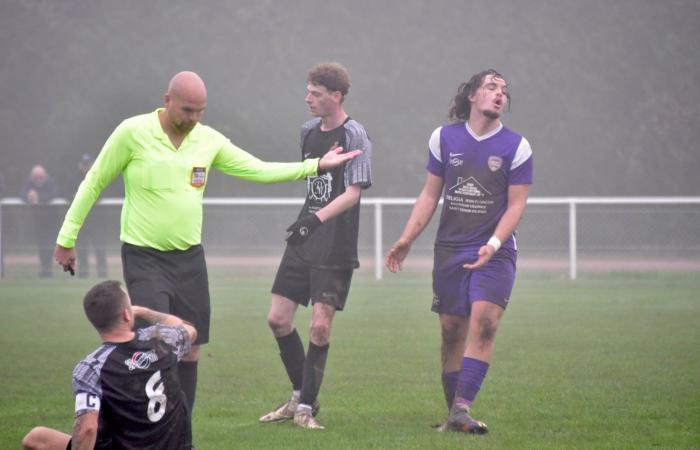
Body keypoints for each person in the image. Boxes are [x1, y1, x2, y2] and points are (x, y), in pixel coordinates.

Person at [53, 71, 361, 418]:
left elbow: (258, 169)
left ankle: (180, 428)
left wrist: (316, 166)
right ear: (166, 100)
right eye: (187, 110)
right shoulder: (132, 132)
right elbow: (93, 181)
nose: (194, 119)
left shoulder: (208, 140)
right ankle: (149, 422)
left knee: (191, 348)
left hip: (190, 260)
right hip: (144, 257)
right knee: (158, 343)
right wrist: (67, 238)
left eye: (200, 111)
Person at [385, 69, 533, 434]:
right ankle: (454, 414)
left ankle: (463, 409)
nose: (500, 94)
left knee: (485, 323)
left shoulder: (517, 146)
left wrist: (493, 244)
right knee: (452, 330)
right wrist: (406, 239)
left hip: (494, 251)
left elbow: (516, 207)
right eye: (491, 87)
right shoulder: (444, 138)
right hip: (450, 249)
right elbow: (430, 194)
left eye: (504, 90)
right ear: (472, 95)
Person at [259, 62, 372, 430]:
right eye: (308, 91)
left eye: (316, 93)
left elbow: (353, 193)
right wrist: (307, 223)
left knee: (320, 328)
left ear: (336, 96)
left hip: (333, 244)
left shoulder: (355, 134)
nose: (307, 98)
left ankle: (306, 409)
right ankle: (298, 396)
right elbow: (312, 180)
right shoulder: (308, 131)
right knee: (277, 319)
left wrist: (316, 219)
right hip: (303, 239)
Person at [21, 280, 197, 450]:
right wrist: (144, 312)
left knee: (35, 438)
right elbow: (189, 329)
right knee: (38, 438)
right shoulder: (161, 341)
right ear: (127, 314)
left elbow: (87, 429)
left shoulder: (91, 367)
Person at [21, 165, 60, 277]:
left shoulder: (51, 182)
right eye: (36, 177)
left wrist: (38, 197)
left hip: (51, 221)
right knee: (41, 246)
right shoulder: (29, 183)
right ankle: (44, 269)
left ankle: (48, 270)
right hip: (37, 221)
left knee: (49, 246)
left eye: (40, 177)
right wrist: (29, 196)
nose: (38, 179)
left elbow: (54, 194)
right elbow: (22, 194)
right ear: (32, 177)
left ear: (44, 176)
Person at [73, 154, 108, 278]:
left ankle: (102, 273)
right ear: (80, 165)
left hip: (97, 221)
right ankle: (83, 274)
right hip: (82, 221)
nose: (86, 167)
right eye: (84, 164)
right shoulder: (74, 179)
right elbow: (68, 192)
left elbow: (102, 193)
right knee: (82, 249)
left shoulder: (98, 177)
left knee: (100, 248)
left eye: (88, 164)